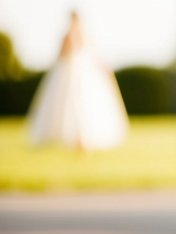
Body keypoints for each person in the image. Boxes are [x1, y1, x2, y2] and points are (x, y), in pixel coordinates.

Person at [27, 9, 129, 151]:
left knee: (84, 101)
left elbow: (94, 54)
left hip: (83, 72)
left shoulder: (85, 36)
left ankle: (82, 137)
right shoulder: (68, 36)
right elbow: (62, 54)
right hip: (68, 71)